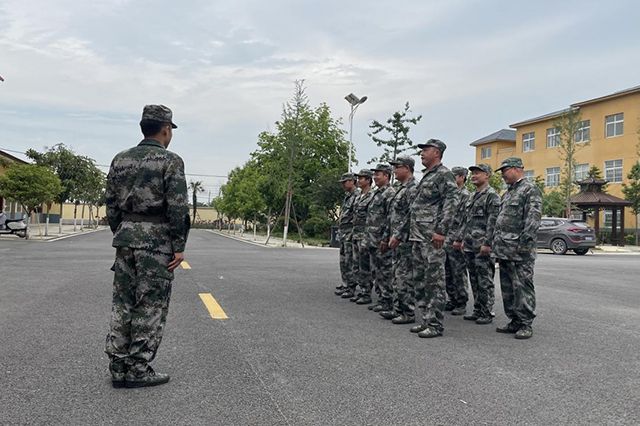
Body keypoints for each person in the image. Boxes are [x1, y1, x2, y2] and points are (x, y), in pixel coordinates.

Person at [105, 105, 190, 388]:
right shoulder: (171, 161)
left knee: (123, 303)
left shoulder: (120, 159)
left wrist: (125, 230)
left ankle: (118, 367)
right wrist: (179, 245)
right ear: (166, 129)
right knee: (150, 305)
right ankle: (138, 369)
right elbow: (178, 207)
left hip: (126, 239)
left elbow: (111, 204)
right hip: (156, 244)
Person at [409, 139, 458, 338]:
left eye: (425, 150)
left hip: (432, 237)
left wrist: (441, 230)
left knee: (435, 282)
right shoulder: (427, 176)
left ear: (436, 153)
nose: (421, 153)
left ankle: (435, 324)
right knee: (421, 281)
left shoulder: (444, 174)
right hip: (418, 237)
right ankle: (426, 320)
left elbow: (451, 203)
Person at [493, 157, 542, 339]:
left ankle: (525, 323)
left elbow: (533, 219)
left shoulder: (530, 189)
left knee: (522, 287)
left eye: (505, 170)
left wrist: (524, 245)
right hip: (504, 249)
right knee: (508, 288)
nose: (503, 175)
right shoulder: (507, 193)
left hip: (520, 251)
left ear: (516, 169)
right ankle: (513, 320)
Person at [453, 164, 500, 325]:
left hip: (482, 246)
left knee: (485, 280)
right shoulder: (473, 196)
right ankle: (478, 309)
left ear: (487, 175)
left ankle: (487, 311)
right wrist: (460, 239)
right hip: (470, 245)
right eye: (472, 173)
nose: (474, 176)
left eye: (478, 173)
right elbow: (465, 221)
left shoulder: (492, 196)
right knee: (474, 279)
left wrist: (488, 243)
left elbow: (493, 223)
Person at [380, 156, 417, 324]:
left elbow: (410, 216)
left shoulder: (412, 189)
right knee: (396, 275)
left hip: (405, 240)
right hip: (396, 239)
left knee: (404, 277)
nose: (394, 171)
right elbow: (392, 216)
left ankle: (407, 312)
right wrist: (388, 236)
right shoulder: (401, 188)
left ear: (407, 168)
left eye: (397, 167)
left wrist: (399, 235)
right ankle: (397, 309)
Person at [365, 164, 396, 312]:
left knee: (385, 271)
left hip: (381, 240)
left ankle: (387, 300)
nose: (375, 177)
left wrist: (385, 238)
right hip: (372, 239)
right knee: (376, 270)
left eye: (378, 174)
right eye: (375, 174)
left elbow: (390, 218)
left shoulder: (389, 193)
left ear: (387, 176)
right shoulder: (377, 193)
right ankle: (381, 298)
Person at [444, 166, 471, 316]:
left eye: (454, 176)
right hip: (445, 238)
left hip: (456, 239)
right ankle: (452, 299)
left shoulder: (465, 195)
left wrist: (459, 238)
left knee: (458, 272)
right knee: (447, 271)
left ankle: (461, 301)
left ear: (461, 177)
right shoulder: (449, 194)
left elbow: (465, 220)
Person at [349, 169, 375, 304]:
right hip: (356, 234)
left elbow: (371, 217)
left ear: (368, 180)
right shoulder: (359, 196)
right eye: (358, 178)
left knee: (365, 265)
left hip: (365, 235)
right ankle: (360, 289)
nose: (358, 180)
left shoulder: (372, 195)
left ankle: (366, 293)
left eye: (362, 178)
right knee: (356, 264)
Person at [335, 173, 360, 298]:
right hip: (344, 233)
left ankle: (351, 286)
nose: (343, 184)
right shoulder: (348, 196)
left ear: (352, 181)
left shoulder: (357, 195)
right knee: (343, 260)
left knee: (350, 261)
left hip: (351, 232)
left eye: (345, 182)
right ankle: (345, 283)